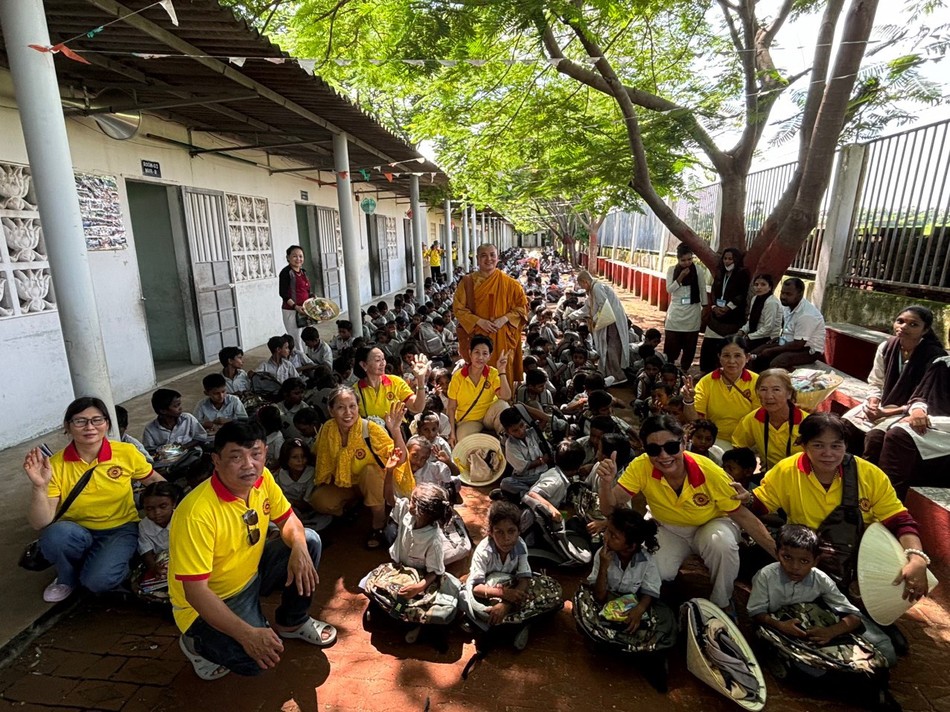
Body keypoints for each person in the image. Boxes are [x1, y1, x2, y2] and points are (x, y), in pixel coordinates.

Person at [169, 421, 334, 680]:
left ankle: (292, 621)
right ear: (216, 460)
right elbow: (196, 593)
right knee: (253, 660)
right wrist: (247, 635)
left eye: (255, 454)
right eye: (236, 457)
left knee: (309, 540)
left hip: (252, 574)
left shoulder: (262, 478)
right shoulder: (196, 514)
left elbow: (289, 520)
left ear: (265, 453)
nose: (248, 465)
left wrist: (299, 548)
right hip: (212, 600)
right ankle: (194, 643)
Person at [596, 415, 776, 611]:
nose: (664, 456)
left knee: (722, 545)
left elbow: (743, 517)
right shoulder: (641, 466)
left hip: (711, 524)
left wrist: (777, 553)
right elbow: (608, 509)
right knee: (657, 572)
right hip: (668, 527)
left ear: (683, 442)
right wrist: (606, 483)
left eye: (671, 447)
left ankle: (722, 604)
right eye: (654, 450)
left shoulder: (710, 471)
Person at [745, 413, 931, 598]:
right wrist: (745, 499)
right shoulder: (786, 470)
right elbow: (760, 504)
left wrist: (917, 558)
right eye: (818, 445)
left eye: (836, 446)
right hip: (806, 555)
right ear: (803, 446)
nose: (828, 454)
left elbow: (899, 520)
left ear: (846, 446)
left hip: (856, 556)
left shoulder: (869, 474)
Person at [23, 397, 164, 602]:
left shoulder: (126, 452)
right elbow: (40, 522)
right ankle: (66, 577)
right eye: (80, 421)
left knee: (97, 582)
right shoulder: (55, 464)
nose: (90, 427)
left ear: (107, 424)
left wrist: (178, 505)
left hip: (121, 528)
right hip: (76, 530)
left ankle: (114, 562)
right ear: (67, 427)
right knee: (54, 535)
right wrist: (39, 486)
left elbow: (154, 480)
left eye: (97, 420)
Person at [748, 524, 897, 708]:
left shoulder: (820, 579)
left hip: (812, 630)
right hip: (779, 629)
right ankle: (864, 691)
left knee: (884, 657)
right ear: (777, 553)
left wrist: (831, 631)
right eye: (787, 557)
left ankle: (863, 689)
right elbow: (756, 613)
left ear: (816, 560)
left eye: (804, 561)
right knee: (809, 673)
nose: (794, 567)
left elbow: (853, 616)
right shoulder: (765, 576)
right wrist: (780, 625)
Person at [361, 478, 460, 644]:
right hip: (399, 570)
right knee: (366, 584)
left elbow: (434, 573)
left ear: (422, 511)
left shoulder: (433, 540)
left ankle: (405, 623)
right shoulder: (407, 514)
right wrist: (390, 472)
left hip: (419, 578)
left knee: (401, 603)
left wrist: (418, 587)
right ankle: (386, 612)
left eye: (413, 501)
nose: (409, 502)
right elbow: (389, 498)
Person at [310, 391, 413, 549]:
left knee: (370, 471)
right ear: (331, 411)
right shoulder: (327, 429)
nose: (348, 413)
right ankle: (352, 507)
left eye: (352, 406)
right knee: (319, 500)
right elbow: (320, 455)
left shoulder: (370, 429)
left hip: (374, 483)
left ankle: (378, 523)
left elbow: (400, 459)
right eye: (341, 407)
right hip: (345, 484)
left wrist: (396, 430)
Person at [459, 500, 563, 650]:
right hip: (489, 593)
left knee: (554, 591)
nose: (506, 538)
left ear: (519, 531)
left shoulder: (520, 545)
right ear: (490, 532)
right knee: (486, 607)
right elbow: (476, 588)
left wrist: (507, 603)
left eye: (511, 531)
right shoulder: (483, 551)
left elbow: (524, 577)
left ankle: (507, 625)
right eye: (499, 532)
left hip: (511, 591)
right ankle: (522, 623)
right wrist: (504, 594)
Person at [844, 306, 947, 452]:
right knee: (846, 425)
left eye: (913, 324)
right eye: (900, 321)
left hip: (914, 409)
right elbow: (876, 381)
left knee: (875, 438)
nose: (903, 326)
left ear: (925, 330)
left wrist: (887, 412)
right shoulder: (886, 347)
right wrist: (873, 402)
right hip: (885, 403)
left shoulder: (935, 357)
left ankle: (870, 473)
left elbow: (926, 396)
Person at [573, 509, 676, 654]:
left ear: (631, 546)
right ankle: (616, 642)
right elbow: (599, 596)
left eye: (613, 536)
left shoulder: (647, 560)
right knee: (584, 605)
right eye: (607, 531)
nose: (606, 537)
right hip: (607, 602)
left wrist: (639, 610)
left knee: (665, 616)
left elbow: (650, 590)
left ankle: (617, 642)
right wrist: (603, 567)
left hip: (632, 603)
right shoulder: (602, 555)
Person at [453, 243, 529, 389]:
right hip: (477, 337)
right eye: (483, 256)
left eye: (492, 255)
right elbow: (458, 309)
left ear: (497, 257)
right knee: (478, 377)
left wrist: (505, 318)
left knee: (502, 376)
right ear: (477, 258)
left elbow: (523, 308)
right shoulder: (468, 283)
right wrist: (479, 321)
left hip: (502, 338)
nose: (489, 259)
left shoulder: (510, 284)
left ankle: (504, 406)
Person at [874, 355, 950, 500]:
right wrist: (918, 410)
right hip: (937, 430)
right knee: (876, 438)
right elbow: (921, 396)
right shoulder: (942, 364)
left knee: (898, 436)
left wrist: (930, 422)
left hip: (943, 432)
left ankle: (889, 509)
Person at [683, 334, 760, 449]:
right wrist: (688, 400)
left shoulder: (758, 382)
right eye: (726, 356)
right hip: (716, 442)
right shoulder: (707, 382)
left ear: (747, 357)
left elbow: (760, 419)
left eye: (738, 355)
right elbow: (696, 421)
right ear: (719, 357)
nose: (732, 361)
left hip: (749, 443)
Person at [731, 368, 808, 472]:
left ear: (789, 393)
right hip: (770, 478)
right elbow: (738, 448)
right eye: (763, 389)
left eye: (776, 390)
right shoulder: (752, 419)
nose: (769, 396)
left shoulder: (807, 423)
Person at [446, 335, 512, 446]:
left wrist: (502, 371)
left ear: (490, 356)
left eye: (485, 353)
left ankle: (506, 443)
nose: (480, 357)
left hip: (488, 415)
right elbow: (451, 408)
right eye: (477, 352)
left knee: (503, 405)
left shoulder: (493, 373)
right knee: (463, 443)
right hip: (468, 420)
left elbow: (506, 396)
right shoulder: (458, 377)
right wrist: (452, 433)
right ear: (470, 353)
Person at [750, 278, 826, 371]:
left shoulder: (806, 315)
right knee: (756, 353)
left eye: (788, 294)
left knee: (777, 362)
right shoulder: (787, 306)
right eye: (782, 293)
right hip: (790, 343)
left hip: (808, 351)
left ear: (800, 294)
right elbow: (789, 331)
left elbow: (798, 345)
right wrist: (779, 339)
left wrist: (772, 350)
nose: (783, 297)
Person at [569, 270, 630, 384]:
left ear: (585, 281)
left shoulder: (597, 288)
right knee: (606, 348)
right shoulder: (592, 290)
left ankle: (618, 376)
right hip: (606, 321)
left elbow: (604, 307)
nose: (581, 287)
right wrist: (572, 315)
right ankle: (610, 373)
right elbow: (587, 308)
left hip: (612, 321)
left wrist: (594, 319)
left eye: (581, 285)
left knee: (612, 348)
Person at [699, 248, 751, 373]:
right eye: (725, 258)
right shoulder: (720, 272)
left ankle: (723, 373)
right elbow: (714, 292)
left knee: (726, 347)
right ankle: (706, 372)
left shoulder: (742, 274)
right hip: (716, 315)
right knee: (708, 346)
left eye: (730, 259)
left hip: (732, 317)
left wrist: (728, 308)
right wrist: (714, 307)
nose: (727, 261)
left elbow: (741, 294)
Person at [353, 346, 429, 424]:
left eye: (383, 359)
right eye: (377, 360)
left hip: (397, 433)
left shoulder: (396, 382)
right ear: (364, 365)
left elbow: (417, 407)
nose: (382, 363)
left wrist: (421, 380)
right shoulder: (355, 391)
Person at [135, 481, 182, 598]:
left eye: (163, 506)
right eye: (150, 508)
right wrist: (154, 567)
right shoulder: (144, 525)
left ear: (174, 504)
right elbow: (146, 551)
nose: (157, 513)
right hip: (162, 563)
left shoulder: (183, 519)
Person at [664, 243, 706, 371]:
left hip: (693, 311)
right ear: (678, 259)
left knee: (690, 344)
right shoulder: (672, 270)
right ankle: (670, 366)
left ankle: (684, 369)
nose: (687, 263)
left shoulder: (698, 270)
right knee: (672, 342)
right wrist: (680, 277)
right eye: (683, 260)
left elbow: (702, 290)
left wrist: (705, 307)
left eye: (689, 259)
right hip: (676, 312)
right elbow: (669, 289)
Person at [499, 406, 551, 497]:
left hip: (543, 474)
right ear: (508, 432)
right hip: (525, 478)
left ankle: (530, 494)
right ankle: (533, 492)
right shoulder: (510, 445)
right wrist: (541, 461)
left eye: (522, 425)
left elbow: (545, 418)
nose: (521, 431)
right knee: (506, 483)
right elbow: (523, 467)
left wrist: (523, 408)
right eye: (515, 430)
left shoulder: (532, 432)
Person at [142, 389, 208, 454]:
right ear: (163, 411)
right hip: (167, 461)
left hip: (191, 454)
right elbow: (149, 450)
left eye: (179, 404)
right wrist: (167, 450)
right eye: (176, 406)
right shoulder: (150, 430)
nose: (180, 408)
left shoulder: (187, 419)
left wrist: (184, 447)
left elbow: (201, 437)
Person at [277, 245, 312, 345]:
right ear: (288, 258)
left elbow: (306, 290)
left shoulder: (303, 272)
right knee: (296, 340)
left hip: (305, 310)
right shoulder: (286, 273)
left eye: (301, 256)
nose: (298, 259)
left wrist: (312, 297)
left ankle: (307, 359)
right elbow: (283, 293)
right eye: (295, 256)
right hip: (291, 311)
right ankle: (299, 360)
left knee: (307, 338)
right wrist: (295, 306)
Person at [738, 274, 782, 351]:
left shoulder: (771, 302)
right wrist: (742, 331)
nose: (759, 287)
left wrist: (749, 337)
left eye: (763, 284)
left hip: (768, 338)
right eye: (756, 284)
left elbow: (768, 328)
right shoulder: (755, 299)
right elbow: (750, 320)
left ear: (770, 287)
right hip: (755, 335)